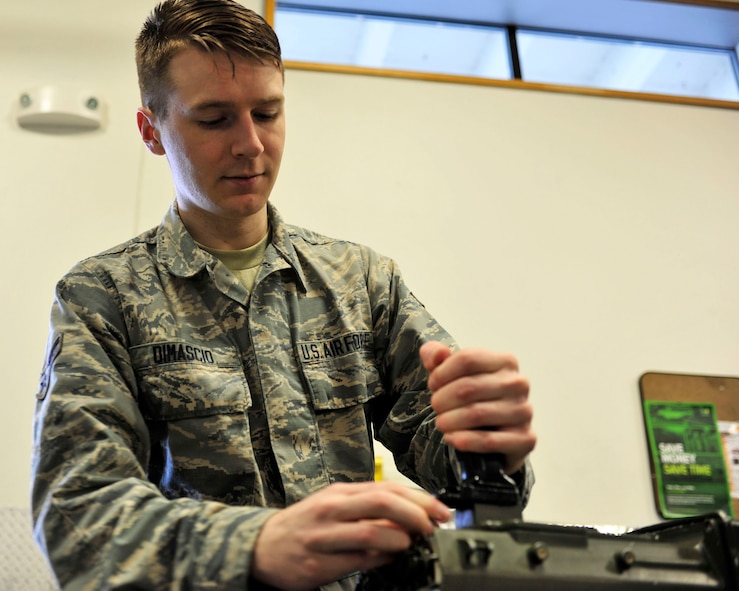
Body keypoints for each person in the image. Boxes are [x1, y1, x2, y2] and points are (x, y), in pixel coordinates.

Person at [30, 1, 536, 589]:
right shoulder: (102, 297)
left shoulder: (361, 281)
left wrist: (493, 448)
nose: (250, 144)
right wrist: (256, 544)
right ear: (153, 132)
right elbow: (80, 518)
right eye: (215, 119)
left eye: (266, 112)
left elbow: (452, 462)